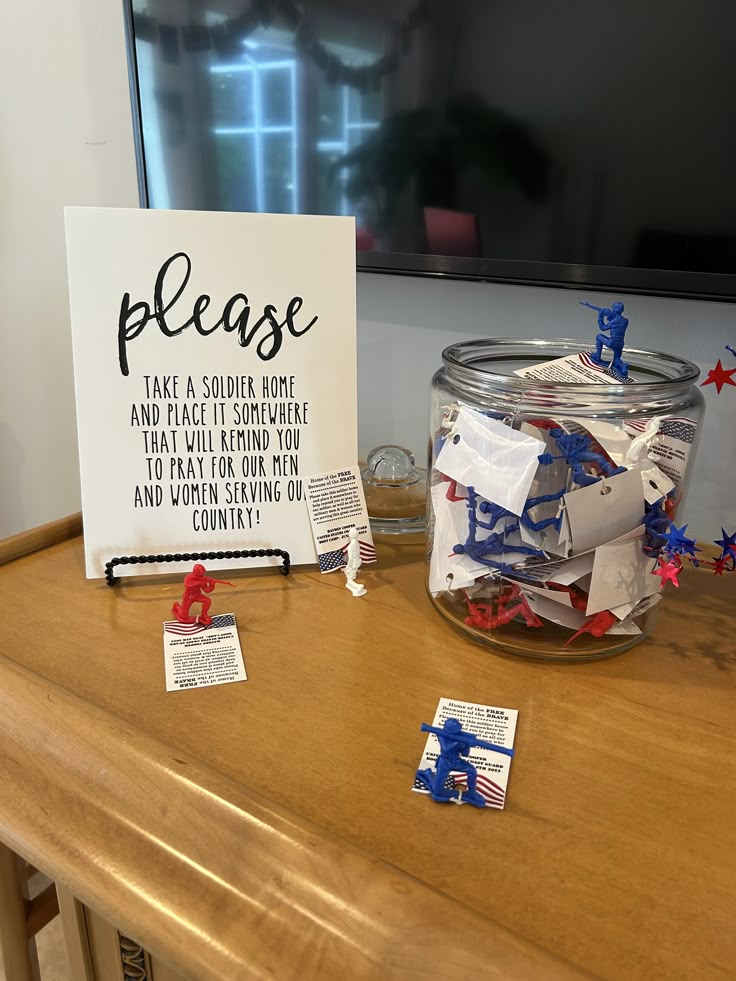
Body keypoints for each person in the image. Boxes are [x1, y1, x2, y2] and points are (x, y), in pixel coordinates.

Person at [343, 527, 367, 596]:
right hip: (357, 562)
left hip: (353, 563)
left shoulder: (350, 546)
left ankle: (358, 587)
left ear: (350, 535)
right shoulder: (357, 543)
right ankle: (354, 584)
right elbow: (358, 553)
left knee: (349, 578)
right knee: (352, 575)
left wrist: (348, 566)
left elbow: (350, 558)